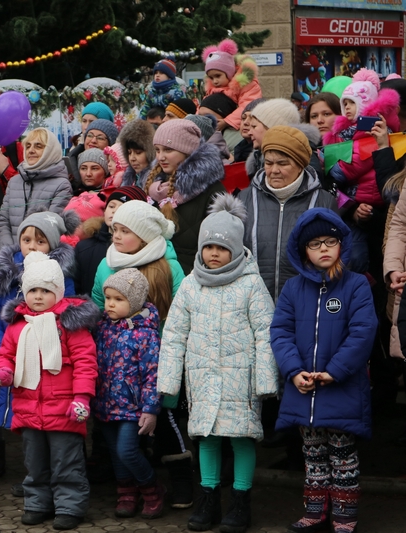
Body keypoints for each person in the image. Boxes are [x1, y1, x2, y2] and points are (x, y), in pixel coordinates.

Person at [159, 194, 278, 533]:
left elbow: (265, 333)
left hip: (241, 381)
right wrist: (169, 381)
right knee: (206, 438)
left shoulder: (251, 284)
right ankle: (207, 498)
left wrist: (266, 380)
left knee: (241, 438)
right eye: (208, 246)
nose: (213, 254)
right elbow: (174, 334)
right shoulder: (191, 285)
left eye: (222, 248)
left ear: (236, 250)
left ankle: (241, 502)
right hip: (202, 379)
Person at [270, 209, 376, 533]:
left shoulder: (356, 285)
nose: (324, 249)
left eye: (330, 241)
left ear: (341, 244)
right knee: (313, 453)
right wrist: (293, 371)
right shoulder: (292, 289)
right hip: (303, 388)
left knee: (342, 455)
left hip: (340, 386)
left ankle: (345, 514)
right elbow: (280, 332)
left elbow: (363, 331)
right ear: (304, 251)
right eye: (315, 244)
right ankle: (315, 511)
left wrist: (334, 371)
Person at [0, 252, 99, 531]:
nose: (38, 296)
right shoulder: (18, 326)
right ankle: (38, 503)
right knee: (35, 462)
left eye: (45, 291)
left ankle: (69, 506)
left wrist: (81, 397)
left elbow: (85, 363)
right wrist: (3, 370)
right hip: (29, 408)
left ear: (59, 293)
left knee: (67, 461)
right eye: (33, 290)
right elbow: (5, 355)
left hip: (64, 410)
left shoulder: (69, 325)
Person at [94, 269, 165, 520]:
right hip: (105, 403)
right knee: (115, 453)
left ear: (134, 302)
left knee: (127, 451)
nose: (110, 304)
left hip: (132, 408)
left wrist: (150, 409)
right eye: (108, 298)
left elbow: (152, 375)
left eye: (118, 299)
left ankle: (151, 489)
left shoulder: (146, 334)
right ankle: (126, 493)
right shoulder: (103, 327)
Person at [238, 126, 337, 300]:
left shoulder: (323, 201)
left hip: (306, 302)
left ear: (300, 166)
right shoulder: (245, 198)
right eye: (269, 163)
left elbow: (335, 259)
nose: (274, 170)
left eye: (282, 163)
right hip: (253, 304)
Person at [324, 70, 400, 273]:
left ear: (364, 104)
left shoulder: (373, 129)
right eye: (345, 103)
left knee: (364, 258)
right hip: (353, 204)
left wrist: (334, 167)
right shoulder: (344, 133)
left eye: (352, 103)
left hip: (373, 202)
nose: (347, 107)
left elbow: (355, 162)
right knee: (355, 256)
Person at [143, 119, 227, 274]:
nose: (161, 157)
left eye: (168, 150)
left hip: (195, 277)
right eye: (158, 150)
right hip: (158, 276)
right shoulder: (155, 187)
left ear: (187, 151)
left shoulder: (212, 189)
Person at [0, 128, 72, 249]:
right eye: (28, 146)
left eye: (38, 146)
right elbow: (3, 220)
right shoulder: (15, 181)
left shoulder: (62, 185)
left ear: (50, 151)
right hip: (11, 257)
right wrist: (9, 251)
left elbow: (51, 226)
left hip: (40, 257)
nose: (31, 150)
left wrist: (28, 251)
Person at [74, 186, 147, 296]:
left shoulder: (146, 251)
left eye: (122, 207)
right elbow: (76, 288)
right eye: (111, 206)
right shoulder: (84, 247)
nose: (114, 210)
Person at [202, 39, 262, 143]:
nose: (215, 81)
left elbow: (247, 106)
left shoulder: (247, 83)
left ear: (229, 72)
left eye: (218, 76)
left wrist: (227, 122)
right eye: (211, 78)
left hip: (238, 128)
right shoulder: (213, 88)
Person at [117, 119, 156, 187]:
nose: (132, 158)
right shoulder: (128, 178)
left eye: (138, 152)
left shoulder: (155, 182)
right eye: (129, 153)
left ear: (150, 152)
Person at [233, 99, 267, 164]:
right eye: (243, 118)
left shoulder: (265, 157)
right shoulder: (238, 150)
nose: (245, 122)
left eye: (251, 118)